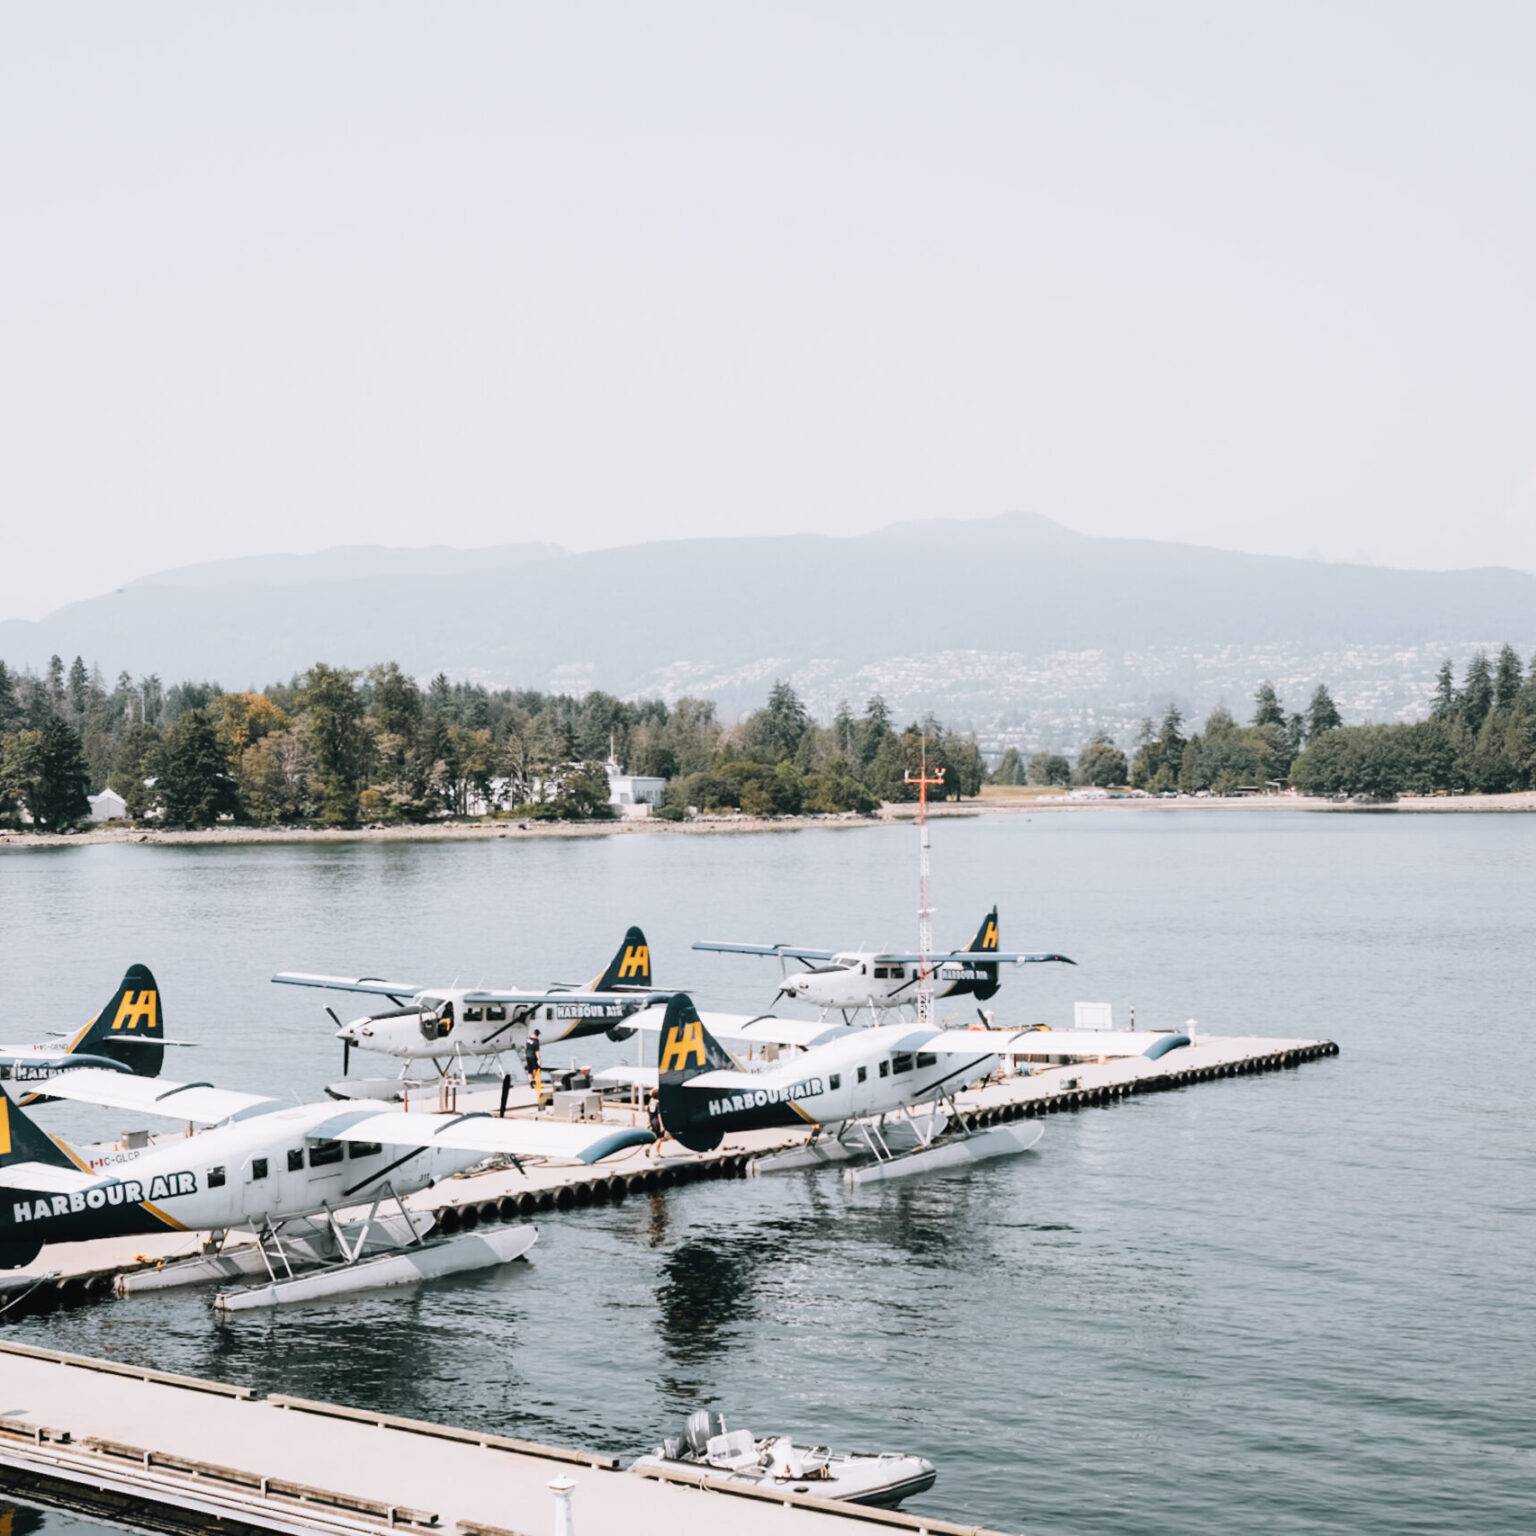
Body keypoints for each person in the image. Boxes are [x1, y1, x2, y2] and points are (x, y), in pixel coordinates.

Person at [645, 1092, 670, 1160]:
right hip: (657, 1123)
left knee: (654, 1137)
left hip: (652, 1122)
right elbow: (659, 1115)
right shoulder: (658, 1104)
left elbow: (648, 1112)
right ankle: (657, 1153)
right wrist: (662, 1126)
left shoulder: (650, 1103)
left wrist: (649, 1122)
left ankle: (648, 1148)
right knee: (660, 1138)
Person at [524, 1028, 542, 1104]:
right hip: (533, 1057)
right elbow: (537, 1052)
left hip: (527, 1056)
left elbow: (526, 1047)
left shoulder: (528, 1039)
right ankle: (537, 1083)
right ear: (538, 1035)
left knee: (529, 1071)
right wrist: (539, 1059)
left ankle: (531, 1082)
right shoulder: (536, 1041)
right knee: (537, 1070)